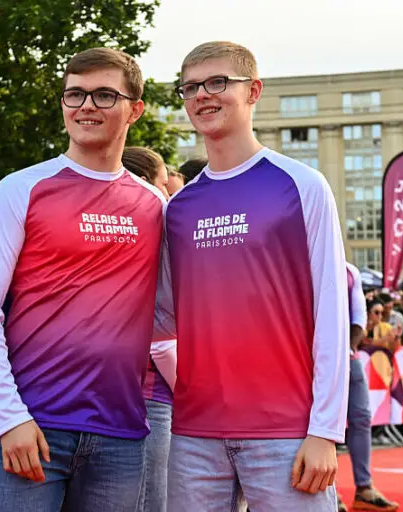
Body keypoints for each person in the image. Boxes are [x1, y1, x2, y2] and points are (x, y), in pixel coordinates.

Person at [0, 47, 165, 512]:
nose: (86, 106)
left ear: (135, 109)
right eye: (75, 94)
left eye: (104, 95)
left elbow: (170, 312)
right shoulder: (19, 190)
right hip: (32, 425)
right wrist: (9, 417)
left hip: (121, 434)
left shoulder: (154, 205)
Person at [160, 41, 349, 511]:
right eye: (190, 87)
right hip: (194, 434)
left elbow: (332, 311)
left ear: (254, 91)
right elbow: (161, 319)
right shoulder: (178, 208)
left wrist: (325, 429)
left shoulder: (301, 185)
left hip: (287, 430)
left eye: (218, 82)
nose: (202, 95)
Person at [122, 146, 178, 512]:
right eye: (163, 185)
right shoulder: (151, 241)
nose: (168, 196)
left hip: (133, 391)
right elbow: (158, 334)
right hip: (152, 393)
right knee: (151, 498)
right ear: (143, 183)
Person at [338, 264, 398, 512]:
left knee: (361, 418)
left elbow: (359, 316)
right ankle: (326, 491)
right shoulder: (305, 262)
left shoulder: (350, 271)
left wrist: (349, 347)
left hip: (347, 357)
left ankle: (364, 488)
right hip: (312, 358)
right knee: (321, 423)